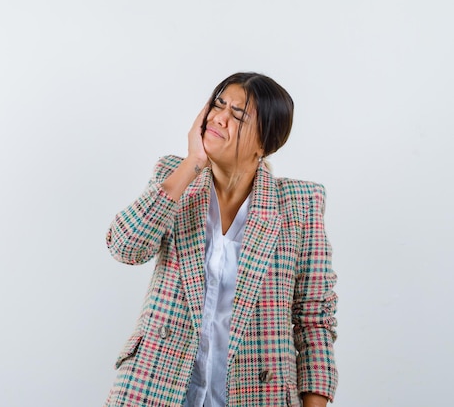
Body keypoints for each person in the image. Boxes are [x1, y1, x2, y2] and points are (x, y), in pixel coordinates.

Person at [103, 72, 338, 407]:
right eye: (218, 104)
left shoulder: (300, 203)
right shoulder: (173, 176)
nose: (220, 118)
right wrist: (192, 163)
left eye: (238, 115)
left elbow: (314, 319)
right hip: (155, 387)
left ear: (264, 143)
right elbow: (124, 248)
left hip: (257, 394)